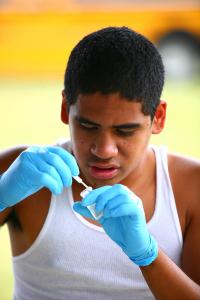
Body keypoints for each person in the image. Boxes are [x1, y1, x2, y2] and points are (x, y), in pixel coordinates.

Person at [0, 26, 200, 300]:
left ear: (159, 117)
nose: (104, 150)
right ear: (64, 109)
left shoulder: (191, 188)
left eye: (125, 130)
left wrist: (148, 256)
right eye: (87, 126)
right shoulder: (19, 173)